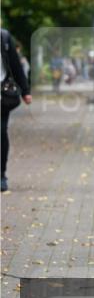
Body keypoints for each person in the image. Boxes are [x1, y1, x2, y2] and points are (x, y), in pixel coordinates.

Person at [1, 26, 32, 193]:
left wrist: (25, 91)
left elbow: (15, 65)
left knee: (0, 132)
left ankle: (1, 174)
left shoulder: (4, 37)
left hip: (2, 94)